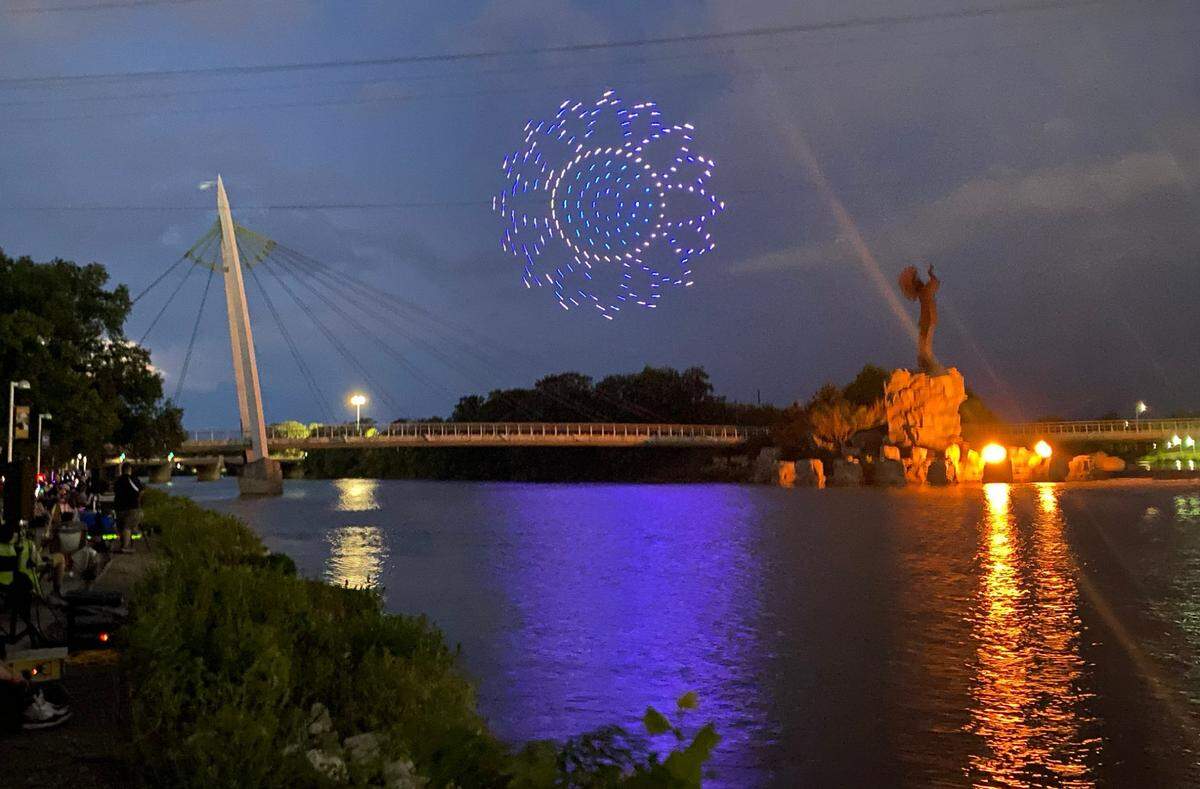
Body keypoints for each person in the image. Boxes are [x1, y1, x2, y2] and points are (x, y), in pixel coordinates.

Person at [113, 464, 143, 554]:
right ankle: (125, 547)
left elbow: (115, 491)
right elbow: (141, 491)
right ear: (130, 470)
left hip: (119, 507)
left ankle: (123, 545)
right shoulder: (133, 479)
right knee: (127, 527)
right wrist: (139, 501)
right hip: (131, 506)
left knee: (122, 527)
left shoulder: (118, 481)